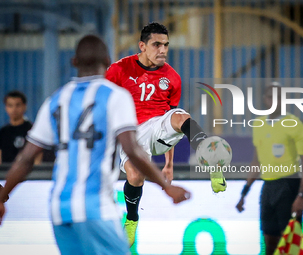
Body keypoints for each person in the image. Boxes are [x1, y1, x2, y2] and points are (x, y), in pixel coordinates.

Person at [0, 35, 190, 255]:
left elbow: (26, 158)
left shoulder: (56, 100)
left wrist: (4, 194)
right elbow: (132, 150)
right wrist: (166, 186)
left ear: (74, 62)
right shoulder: (115, 97)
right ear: (108, 61)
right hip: (95, 207)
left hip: (59, 211)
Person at [106, 22, 226, 246]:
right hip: (131, 133)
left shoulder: (172, 77)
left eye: (166, 45)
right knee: (134, 176)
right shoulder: (119, 69)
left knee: (182, 117)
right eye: (156, 44)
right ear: (142, 45)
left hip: (158, 127)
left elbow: (171, 123)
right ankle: (132, 219)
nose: (162, 50)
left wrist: (168, 164)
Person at [236, 83, 303, 255]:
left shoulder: (294, 124)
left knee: (293, 242)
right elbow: (256, 162)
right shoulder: (258, 125)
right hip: (268, 187)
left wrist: (301, 194)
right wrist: (244, 193)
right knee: (269, 242)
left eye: (278, 97)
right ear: (265, 100)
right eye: (270, 97)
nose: (274, 101)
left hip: (289, 185)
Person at [0, 91, 42, 164]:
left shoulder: (32, 131)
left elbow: (37, 157)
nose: (14, 109)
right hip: (6, 174)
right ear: (6, 108)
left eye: (18, 105)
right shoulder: (2, 132)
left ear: (24, 106)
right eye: (10, 105)